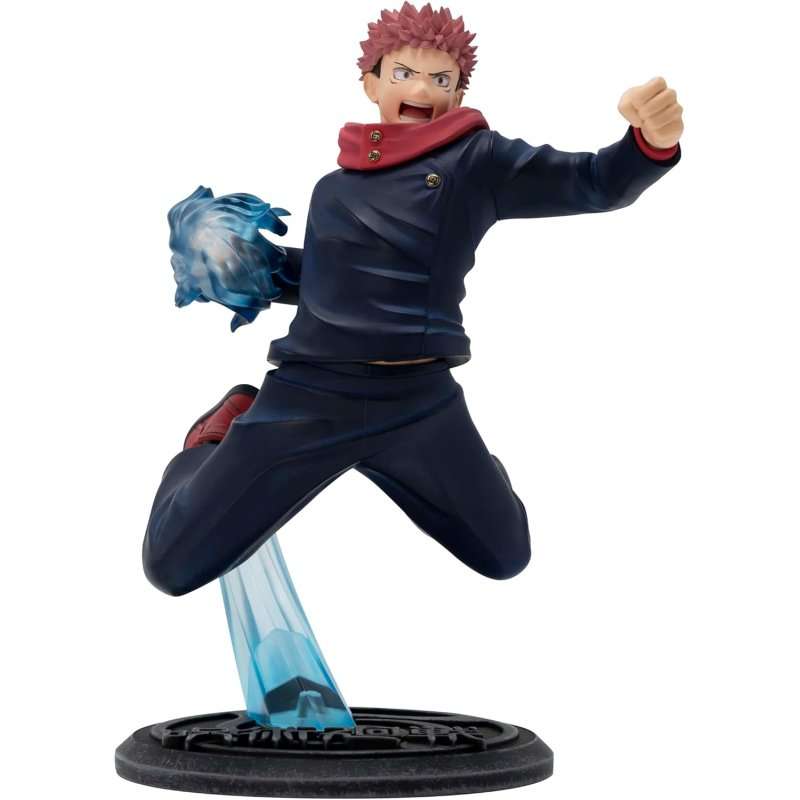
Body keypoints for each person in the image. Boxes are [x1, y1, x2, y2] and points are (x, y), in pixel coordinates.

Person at [143, 2, 683, 596]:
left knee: (505, 553)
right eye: (403, 74)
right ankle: (213, 440)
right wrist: (245, 266)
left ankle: (436, 467)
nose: (421, 90)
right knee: (170, 564)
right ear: (371, 83)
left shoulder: (477, 162)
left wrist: (646, 145)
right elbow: (328, 282)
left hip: (418, 401)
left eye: (440, 78)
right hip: (313, 393)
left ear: (458, 93)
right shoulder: (334, 189)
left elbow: (595, 183)